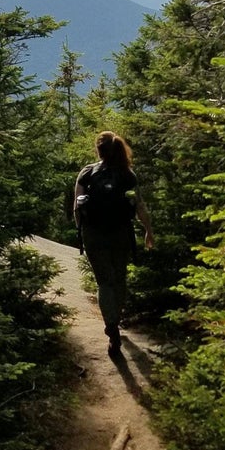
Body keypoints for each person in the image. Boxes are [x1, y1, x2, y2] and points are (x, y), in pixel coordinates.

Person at [73, 130, 154, 357]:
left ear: (98, 150)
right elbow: (139, 206)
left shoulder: (87, 173)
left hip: (94, 234)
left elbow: (76, 206)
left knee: (104, 282)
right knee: (119, 279)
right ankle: (115, 321)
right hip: (120, 233)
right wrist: (148, 231)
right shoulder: (128, 174)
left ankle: (112, 328)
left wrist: (82, 232)